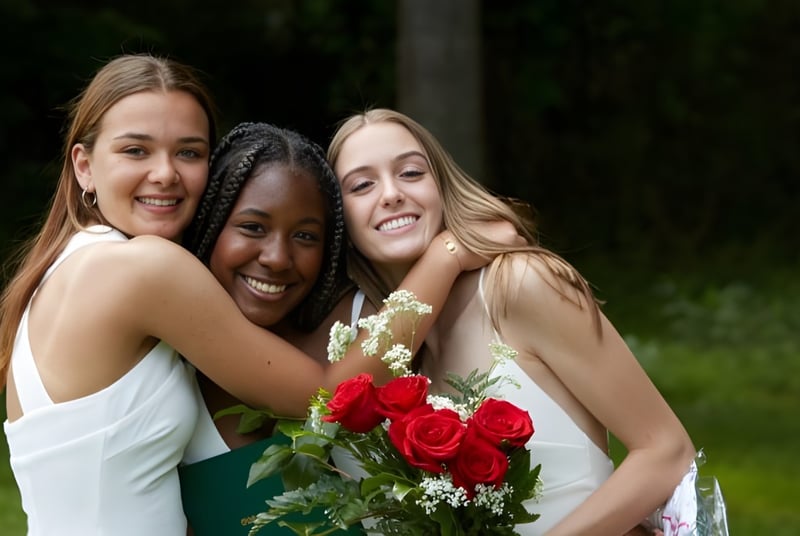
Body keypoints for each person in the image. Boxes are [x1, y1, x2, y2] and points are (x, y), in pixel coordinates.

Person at [0, 55, 513, 536]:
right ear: (84, 166)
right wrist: (444, 256)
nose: (165, 172)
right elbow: (331, 397)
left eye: (189, 152)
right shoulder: (143, 269)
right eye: (136, 150)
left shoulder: (62, 268)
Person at [327, 108, 697, 536]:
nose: (390, 194)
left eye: (411, 173)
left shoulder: (519, 284)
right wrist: (445, 255)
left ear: (442, 186)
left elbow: (666, 451)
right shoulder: (374, 344)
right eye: (362, 185)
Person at [178, 121, 367, 534]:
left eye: (305, 236)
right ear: (210, 223)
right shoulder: (167, 366)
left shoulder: (364, 330)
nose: (278, 258)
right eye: (253, 228)